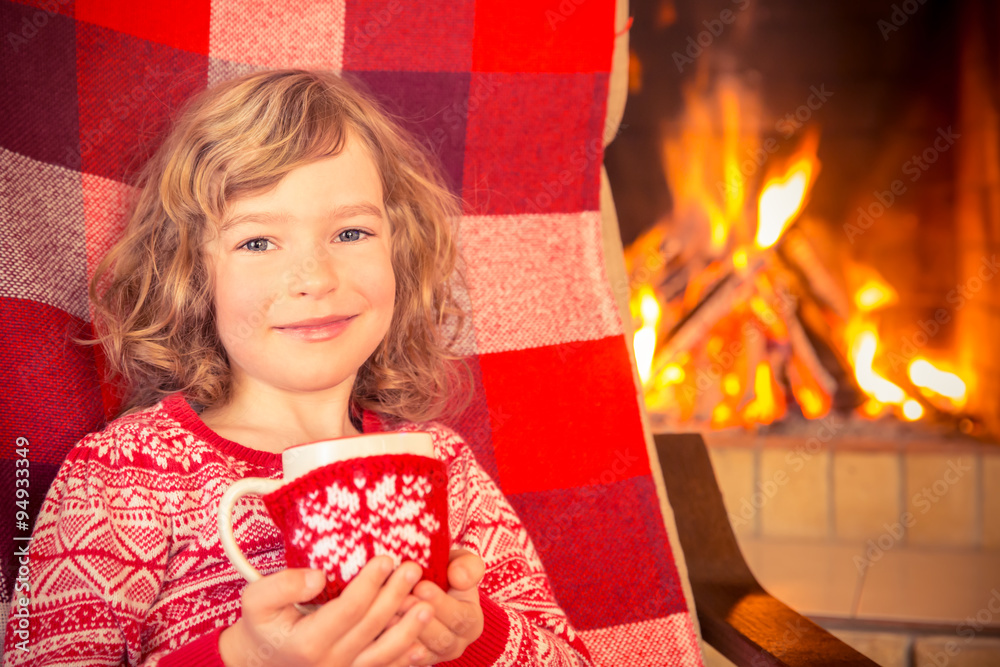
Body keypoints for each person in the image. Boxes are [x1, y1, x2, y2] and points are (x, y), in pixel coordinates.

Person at [3, 69, 593, 667]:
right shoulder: (122, 476)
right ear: (192, 275)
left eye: (352, 232)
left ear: (400, 253)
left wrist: (475, 638)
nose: (315, 278)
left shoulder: (444, 470)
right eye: (258, 242)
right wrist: (249, 658)